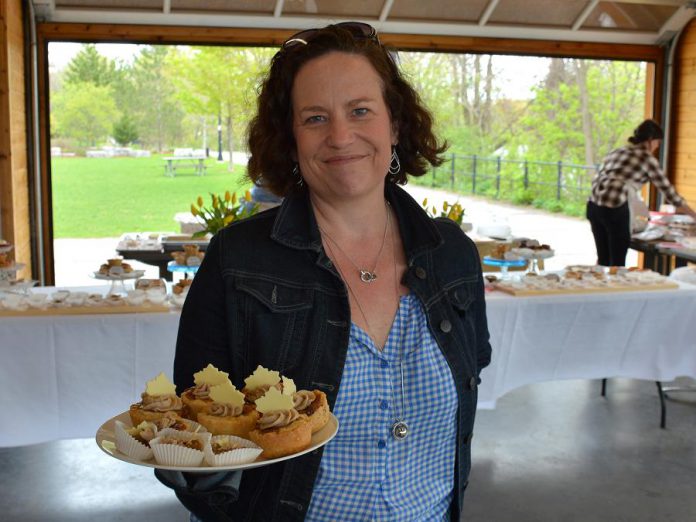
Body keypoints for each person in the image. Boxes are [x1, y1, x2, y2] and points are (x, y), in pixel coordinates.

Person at [158, 22, 491, 522]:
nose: (340, 136)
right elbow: (194, 433)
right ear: (291, 140)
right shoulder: (238, 259)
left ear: (394, 124)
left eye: (360, 111)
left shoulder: (453, 256)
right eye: (315, 118)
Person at [586, 119, 696, 266]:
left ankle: (600, 286)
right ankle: (616, 286)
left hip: (593, 207)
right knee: (617, 264)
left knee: (603, 261)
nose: (657, 147)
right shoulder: (646, 158)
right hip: (614, 208)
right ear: (650, 140)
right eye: (657, 143)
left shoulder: (619, 151)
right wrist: (694, 216)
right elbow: (671, 195)